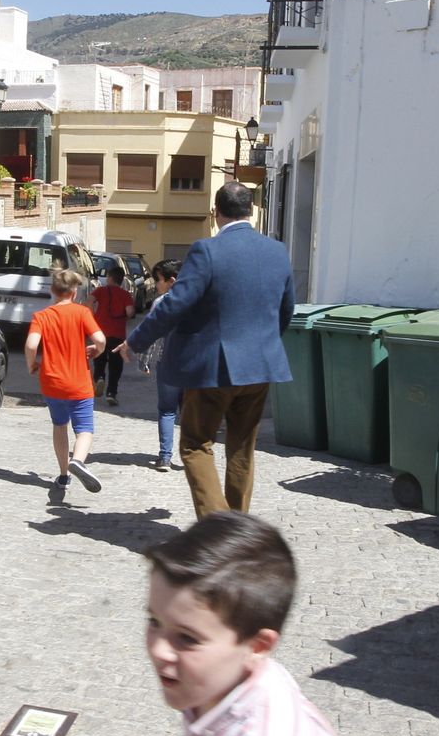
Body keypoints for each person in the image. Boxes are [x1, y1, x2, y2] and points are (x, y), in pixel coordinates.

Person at [144, 511, 405, 736]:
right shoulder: (233, 683)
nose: (160, 650)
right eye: (154, 621)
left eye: (187, 638)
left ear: (258, 645)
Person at [120, 183, 294, 517]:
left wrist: (136, 340)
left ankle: (218, 530)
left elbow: (175, 304)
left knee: (196, 445)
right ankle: (238, 525)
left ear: (215, 213)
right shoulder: (277, 252)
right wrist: (265, 346)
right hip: (260, 367)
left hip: (212, 368)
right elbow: (286, 310)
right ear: (252, 212)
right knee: (242, 449)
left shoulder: (207, 250)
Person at [25, 267, 105, 503]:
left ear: (52, 290)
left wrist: (31, 365)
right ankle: (77, 461)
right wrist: (96, 351)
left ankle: (63, 475)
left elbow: (31, 345)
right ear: (75, 290)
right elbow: (100, 339)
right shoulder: (81, 312)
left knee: (59, 425)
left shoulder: (42, 316)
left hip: (51, 382)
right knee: (84, 429)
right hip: (78, 382)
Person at [137, 259, 182, 472]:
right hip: (195, 366)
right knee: (192, 413)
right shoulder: (199, 301)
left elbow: (150, 335)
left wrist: (144, 362)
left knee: (167, 410)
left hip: (168, 363)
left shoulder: (161, 303)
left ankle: (165, 457)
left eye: (158, 280)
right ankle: (194, 458)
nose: (155, 285)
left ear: (171, 281)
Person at [89, 265, 134, 406]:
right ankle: (111, 393)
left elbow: (88, 302)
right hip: (118, 334)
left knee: (99, 359)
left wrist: (93, 316)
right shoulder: (125, 294)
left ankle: (100, 378)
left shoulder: (100, 290)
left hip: (99, 333)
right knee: (116, 365)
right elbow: (130, 312)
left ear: (109, 278)